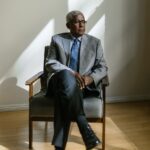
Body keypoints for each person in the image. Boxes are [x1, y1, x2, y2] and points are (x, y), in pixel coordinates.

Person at [45, 10, 108, 150]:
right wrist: (72, 73)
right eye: (77, 21)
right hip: (59, 83)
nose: (81, 24)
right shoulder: (57, 39)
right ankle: (82, 123)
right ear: (68, 25)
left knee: (65, 96)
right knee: (66, 76)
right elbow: (50, 63)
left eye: (83, 21)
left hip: (82, 88)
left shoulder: (95, 43)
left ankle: (59, 146)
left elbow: (102, 67)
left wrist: (90, 78)